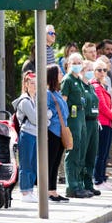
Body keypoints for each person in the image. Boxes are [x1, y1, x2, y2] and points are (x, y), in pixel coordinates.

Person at [60, 53, 91, 198]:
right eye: (75, 62)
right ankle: (71, 186)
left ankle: (79, 184)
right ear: (69, 64)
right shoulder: (67, 80)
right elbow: (63, 102)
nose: (77, 64)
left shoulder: (78, 79)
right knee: (73, 151)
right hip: (72, 118)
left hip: (81, 116)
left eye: (80, 62)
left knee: (81, 151)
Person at [91, 60, 112, 190]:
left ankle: (102, 178)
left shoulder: (103, 85)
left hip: (108, 122)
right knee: (100, 153)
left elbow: (110, 105)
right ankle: (98, 180)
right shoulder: (96, 86)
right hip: (102, 123)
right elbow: (102, 107)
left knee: (105, 153)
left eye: (104, 70)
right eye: (99, 70)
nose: (102, 72)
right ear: (93, 71)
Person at [13, 72, 39, 202]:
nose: (35, 86)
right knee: (26, 163)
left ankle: (30, 189)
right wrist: (46, 117)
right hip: (27, 134)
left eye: (36, 83)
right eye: (32, 83)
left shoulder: (36, 99)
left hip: (35, 134)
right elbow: (35, 119)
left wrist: (46, 117)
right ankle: (24, 191)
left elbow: (46, 116)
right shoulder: (25, 101)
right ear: (26, 85)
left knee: (34, 163)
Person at [45, 64, 69, 202]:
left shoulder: (56, 92)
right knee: (50, 162)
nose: (62, 74)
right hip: (52, 131)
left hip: (60, 131)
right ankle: (48, 190)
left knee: (56, 162)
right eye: (59, 72)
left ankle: (53, 190)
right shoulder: (47, 93)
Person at [80, 60, 101, 196]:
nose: (89, 72)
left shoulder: (91, 86)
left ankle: (89, 183)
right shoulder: (80, 86)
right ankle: (81, 184)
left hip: (94, 122)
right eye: (87, 69)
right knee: (83, 154)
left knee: (92, 155)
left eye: (91, 69)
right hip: (85, 121)